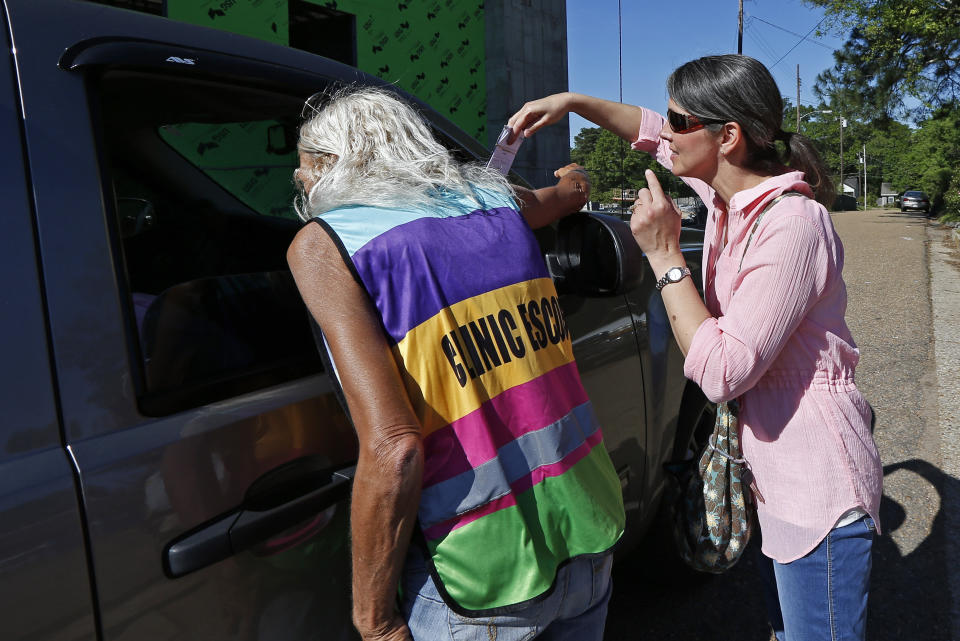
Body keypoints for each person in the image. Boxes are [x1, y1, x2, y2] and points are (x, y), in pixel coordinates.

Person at [509, 54, 883, 641]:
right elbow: (648, 131)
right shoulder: (725, 199)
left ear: (728, 136)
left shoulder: (793, 225)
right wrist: (573, 102)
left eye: (683, 121)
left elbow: (721, 373)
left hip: (816, 485)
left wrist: (663, 256)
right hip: (772, 473)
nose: (667, 132)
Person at [287, 86, 625, 641]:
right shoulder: (495, 199)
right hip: (589, 530)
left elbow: (394, 448)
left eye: (306, 165)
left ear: (334, 164)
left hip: (480, 580)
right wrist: (578, 178)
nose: (301, 180)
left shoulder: (325, 245)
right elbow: (565, 195)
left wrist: (374, 621)